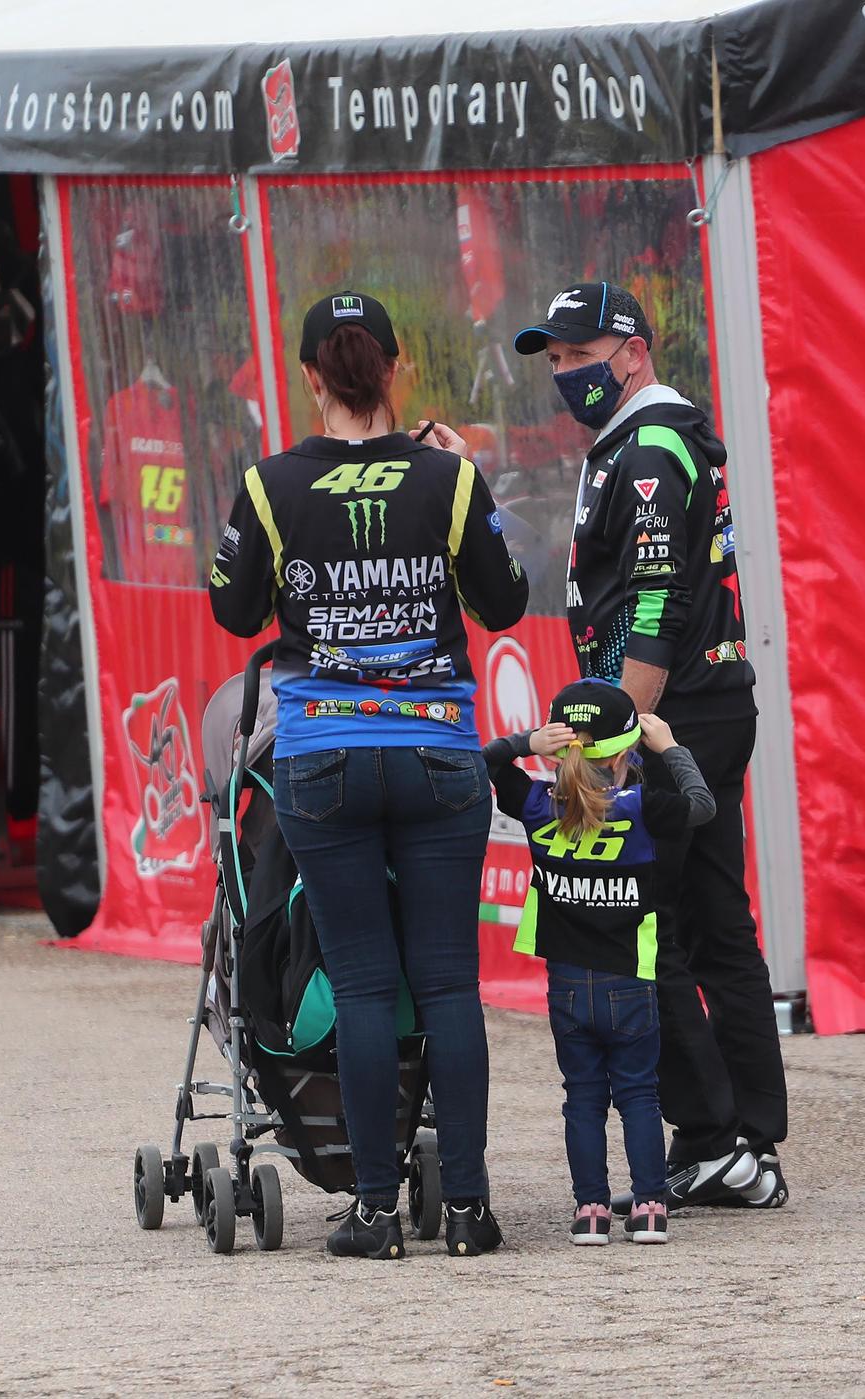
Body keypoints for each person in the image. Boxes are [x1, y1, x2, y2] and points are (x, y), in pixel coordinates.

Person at [424, 282, 785, 1210]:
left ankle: (716, 1138)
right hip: (696, 705)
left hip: (677, 713)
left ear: (634, 350)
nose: (565, 374)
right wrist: (478, 488)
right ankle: (746, 1140)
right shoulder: (623, 446)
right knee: (711, 920)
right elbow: (566, 569)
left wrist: (615, 743)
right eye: (554, 361)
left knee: (636, 919)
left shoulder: (655, 443)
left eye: (581, 357)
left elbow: (656, 605)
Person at [211, 291, 529, 1259]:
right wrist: (454, 481)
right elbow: (505, 600)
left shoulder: (271, 485)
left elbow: (233, 612)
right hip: (436, 754)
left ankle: (377, 1213)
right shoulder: (446, 476)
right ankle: (469, 1212)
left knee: (358, 985)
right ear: (395, 368)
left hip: (325, 760)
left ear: (311, 376)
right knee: (446, 986)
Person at [483, 680, 717, 1247]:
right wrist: (671, 749)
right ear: (623, 753)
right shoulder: (644, 807)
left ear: (561, 747)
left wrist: (526, 742)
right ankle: (650, 1208)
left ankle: (590, 1210)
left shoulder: (538, 802)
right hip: (630, 979)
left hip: (565, 981)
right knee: (639, 1094)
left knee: (582, 1097)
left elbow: (483, 761)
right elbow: (703, 806)